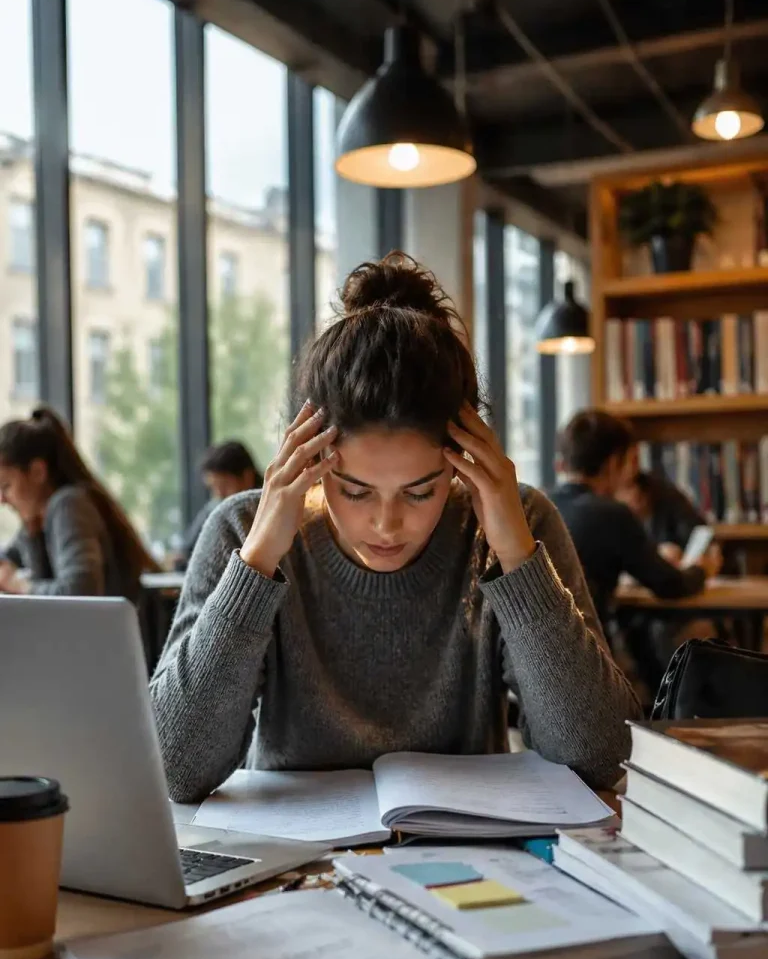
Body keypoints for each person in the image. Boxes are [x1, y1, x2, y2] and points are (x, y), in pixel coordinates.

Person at [151, 253, 639, 805]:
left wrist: (518, 559)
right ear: (310, 455)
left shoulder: (513, 522)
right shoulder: (244, 528)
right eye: (355, 490)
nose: (386, 524)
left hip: (469, 861)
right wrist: (258, 562)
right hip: (293, 869)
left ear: (461, 462)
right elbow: (175, 766)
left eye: (421, 491)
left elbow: (600, 757)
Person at [549, 410, 720, 695]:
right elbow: (670, 586)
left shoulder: (541, 503)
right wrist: (702, 569)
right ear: (615, 462)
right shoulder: (613, 514)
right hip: (590, 658)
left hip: (539, 660)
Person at [0, 406, 156, 599]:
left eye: (6, 486)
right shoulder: (38, 519)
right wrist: (32, 535)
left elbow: (79, 591)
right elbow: (8, 559)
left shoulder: (69, 505)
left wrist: (19, 585)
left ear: (37, 472)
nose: (2, 500)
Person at [176, 440, 263, 568]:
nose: (219, 494)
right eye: (213, 488)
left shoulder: (267, 509)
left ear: (247, 477)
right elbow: (186, 552)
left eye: (224, 486)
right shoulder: (214, 507)